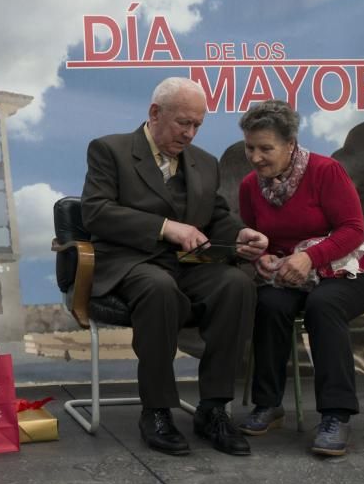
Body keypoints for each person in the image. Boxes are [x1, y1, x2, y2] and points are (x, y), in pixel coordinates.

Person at [81, 77, 268, 457]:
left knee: (236, 285)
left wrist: (243, 233)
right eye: (184, 122)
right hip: (132, 261)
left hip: (189, 263)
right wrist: (167, 228)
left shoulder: (205, 162)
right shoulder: (109, 150)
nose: (191, 133)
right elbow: (96, 212)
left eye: (198, 124)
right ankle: (157, 411)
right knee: (159, 289)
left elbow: (217, 217)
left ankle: (213, 409)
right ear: (155, 113)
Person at [237, 100, 364, 457]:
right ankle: (269, 405)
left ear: (290, 145)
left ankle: (335, 415)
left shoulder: (326, 171)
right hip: (292, 276)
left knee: (323, 305)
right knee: (268, 304)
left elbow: (353, 230)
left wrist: (309, 257)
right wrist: (263, 257)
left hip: (346, 271)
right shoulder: (249, 187)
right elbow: (256, 238)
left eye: (265, 148)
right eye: (250, 147)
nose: (256, 157)